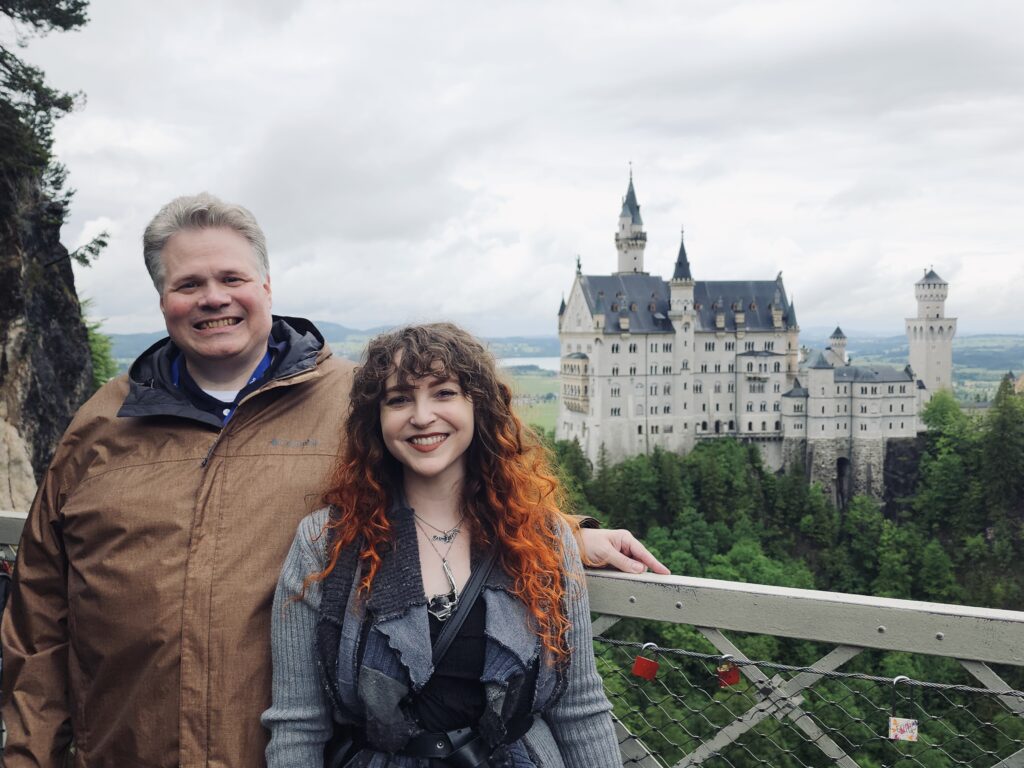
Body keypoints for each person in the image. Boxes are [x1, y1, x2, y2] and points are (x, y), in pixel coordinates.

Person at [0, 193, 666, 767]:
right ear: (162, 298)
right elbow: (40, 614)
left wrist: (564, 537)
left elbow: (459, 476)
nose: (213, 298)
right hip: (128, 748)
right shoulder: (102, 425)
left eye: (231, 276)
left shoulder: (360, 401)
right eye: (187, 284)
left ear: (266, 284)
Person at [263, 323, 622, 768]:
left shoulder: (542, 537)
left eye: (444, 393)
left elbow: (580, 708)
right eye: (399, 399)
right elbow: (298, 725)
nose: (421, 415)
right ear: (376, 420)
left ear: (479, 406)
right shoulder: (327, 543)